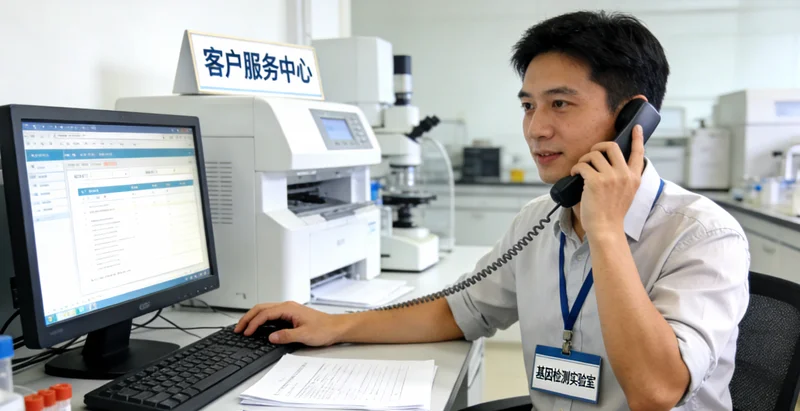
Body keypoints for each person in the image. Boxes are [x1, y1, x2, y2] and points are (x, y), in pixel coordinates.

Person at [235, 10, 750, 411]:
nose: (536, 128)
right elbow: (461, 310)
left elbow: (656, 392)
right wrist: (336, 326)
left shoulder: (702, 235)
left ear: (632, 119)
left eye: (560, 104)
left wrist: (607, 232)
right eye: (528, 105)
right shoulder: (538, 220)